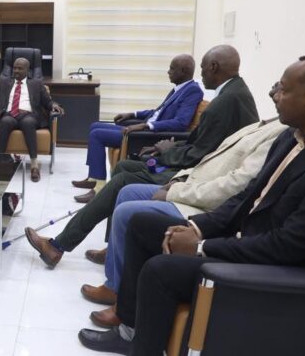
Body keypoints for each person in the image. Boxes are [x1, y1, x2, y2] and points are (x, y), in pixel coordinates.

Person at [79, 52, 305, 355]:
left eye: (284, 90)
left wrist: (201, 247)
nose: (275, 95)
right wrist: (196, 227)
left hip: (276, 268)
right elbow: (246, 198)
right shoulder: (291, 138)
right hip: (245, 239)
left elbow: (288, 245)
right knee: (143, 224)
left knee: (160, 269)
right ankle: (128, 331)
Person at [24, 45, 258, 267]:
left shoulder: (225, 102)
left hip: (198, 176)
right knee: (124, 166)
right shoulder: (234, 93)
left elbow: (199, 153)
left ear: (214, 67)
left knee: (122, 181)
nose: (201, 73)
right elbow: (203, 143)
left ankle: (58, 246)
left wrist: (166, 152)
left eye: (204, 68)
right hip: (198, 165)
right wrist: (165, 147)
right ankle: (112, 246)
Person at [80, 82, 286, 317]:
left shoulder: (260, 120)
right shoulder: (265, 123)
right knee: (127, 191)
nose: (271, 92)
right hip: (190, 180)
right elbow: (211, 157)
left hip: (203, 202)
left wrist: (175, 187)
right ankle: (114, 274)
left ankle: (113, 286)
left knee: (127, 207)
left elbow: (234, 183)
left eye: (282, 88)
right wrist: (180, 179)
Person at [72, 54, 203, 202]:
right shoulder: (179, 89)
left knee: (97, 134)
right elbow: (158, 112)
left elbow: (180, 123)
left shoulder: (192, 91)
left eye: (172, 68)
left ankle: (99, 188)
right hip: (144, 130)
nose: (168, 71)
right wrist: (133, 114)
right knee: (94, 126)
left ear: (183, 71)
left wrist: (145, 125)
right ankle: (93, 177)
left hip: (148, 136)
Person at [0, 57, 64, 182]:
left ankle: (34, 165)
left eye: (20, 68)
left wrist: (54, 105)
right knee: (5, 122)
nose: (16, 71)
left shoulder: (36, 84)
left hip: (28, 115)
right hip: (9, 114)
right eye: (15, 68)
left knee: (28, 123)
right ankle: (2, 161)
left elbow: (47, 101)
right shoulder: (4, 82)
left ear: (27, 70)